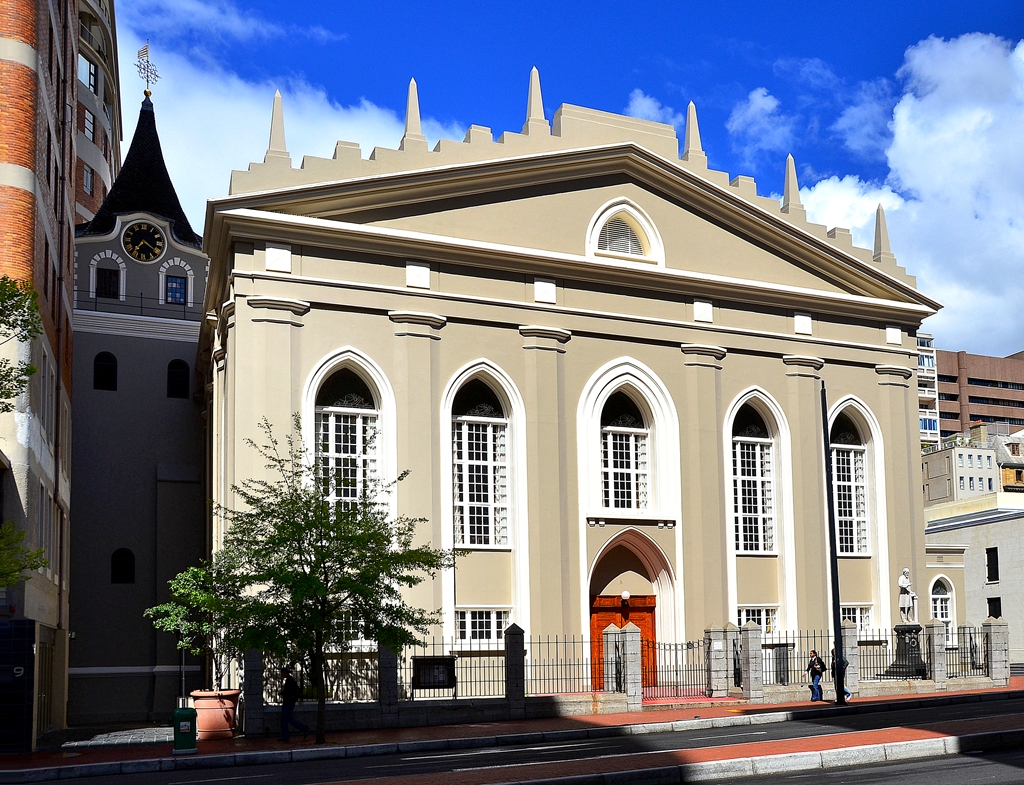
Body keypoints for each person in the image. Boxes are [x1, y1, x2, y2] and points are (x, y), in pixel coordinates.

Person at [279, 667, 309, 741]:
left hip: (288, 702)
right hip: (289, 701)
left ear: (285, 672)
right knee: (286, 718)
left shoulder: (290, 680)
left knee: (285, 718)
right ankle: (286, 736)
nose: (282, 675)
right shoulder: (290, 680)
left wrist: (283, 693)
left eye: (282, 673)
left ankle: (303, 729)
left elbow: (288, 692)